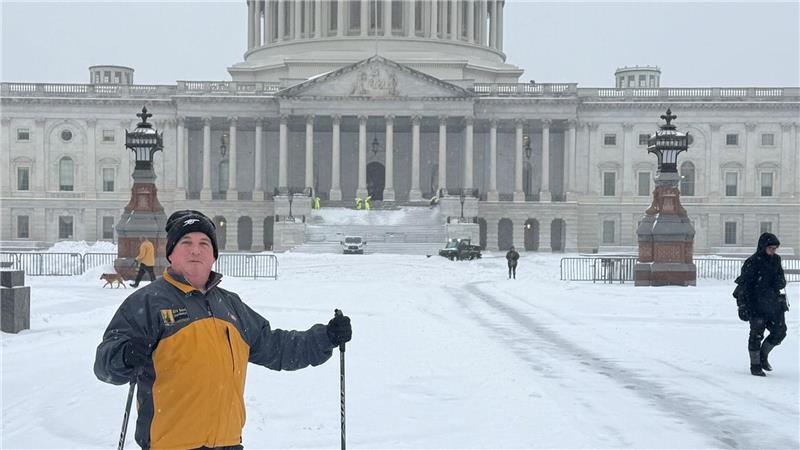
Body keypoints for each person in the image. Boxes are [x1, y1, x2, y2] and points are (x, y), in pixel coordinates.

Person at [94, 210, 352, 449]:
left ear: (214, 255)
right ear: (171, 253)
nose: (195, 250)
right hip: (171, 444)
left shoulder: (230, 306)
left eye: (204, 244)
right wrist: (124, 356)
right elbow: (104, 365)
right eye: (186, 242)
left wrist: (325, 338)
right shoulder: (147, 302)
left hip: (228, 442)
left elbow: (275, 347)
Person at [734, 232, 787, 377]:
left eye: (775, 248)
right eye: (770, 248)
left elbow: (781, 279)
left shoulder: (776, 260)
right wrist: (742, 305)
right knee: (756, 334)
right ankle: (755, 365)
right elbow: (743, 285)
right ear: (763, 247)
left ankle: (763, 355)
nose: (773, 251)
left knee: (780, 331)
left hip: (773, 303)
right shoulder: (752, 262)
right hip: (756, 304)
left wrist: (780, 282)